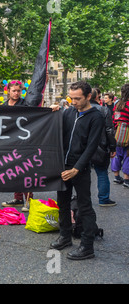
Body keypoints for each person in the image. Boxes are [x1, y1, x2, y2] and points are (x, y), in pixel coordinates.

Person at [50, 80, 104, 260]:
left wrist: (77, 169)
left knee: (84, 206)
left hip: (80, 169)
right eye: (71, 98)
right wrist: (52, 112)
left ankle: (87, 246)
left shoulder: (96, 116)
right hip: (63, 167)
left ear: (89, 96)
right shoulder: (69, 112)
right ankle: (65, 236)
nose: (73, 102)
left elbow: (91, 146)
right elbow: (55, 128)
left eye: (78, 99)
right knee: (62, 203)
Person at [1, 81, 33, 211]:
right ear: (8, 91)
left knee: (25, 171)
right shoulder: (3, 105)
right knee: (13, 172)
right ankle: (18, 198)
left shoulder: (26, 103)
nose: (16, 93)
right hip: (9, 143)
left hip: (23, 142)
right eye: (13, 91)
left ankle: (29, 201)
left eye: (18, 91)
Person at [90, 88, 117, 206]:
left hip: (82, 147)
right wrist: (112, 147)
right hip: (100, 147)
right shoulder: (103, 110)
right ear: (97, 97)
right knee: (102, 172)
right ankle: (104, 198)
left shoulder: (78, 109)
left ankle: (81, 200)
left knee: (81, 174)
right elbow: (109, 130)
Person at [111, 84, 129, 188]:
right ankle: (127, 179)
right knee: (127, 156)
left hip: (117, 132)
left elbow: (113, 119)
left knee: (117, 155)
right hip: (128, 134)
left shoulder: (117, 104)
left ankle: (117, 177)